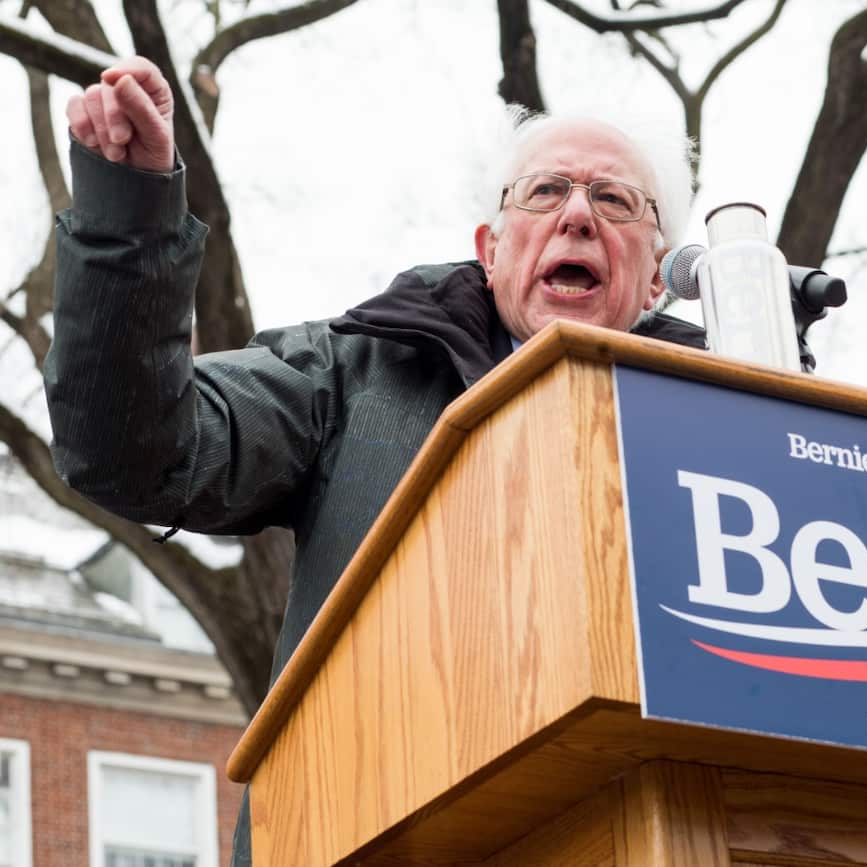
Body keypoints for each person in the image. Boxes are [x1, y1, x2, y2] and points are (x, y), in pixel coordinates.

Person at [45, 55, 703, 864]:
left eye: (613, 199)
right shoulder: (352, 376)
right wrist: (128, 217)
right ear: (490, 250)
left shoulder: (726, 440)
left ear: (657, 283)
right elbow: (131, 449)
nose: (577, 216)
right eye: (545, 190)